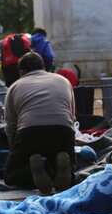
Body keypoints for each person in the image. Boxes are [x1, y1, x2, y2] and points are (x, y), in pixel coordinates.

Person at [4, 52, 75, 195]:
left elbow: (11, 126)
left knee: (10, 176)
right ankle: (64, 173)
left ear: (22, 72)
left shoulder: (15, 86)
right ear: (44, 67)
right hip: (63, 131)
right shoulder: (63, 81)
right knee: (71, 167)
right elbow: (71, 116)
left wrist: (16, 150)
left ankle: (33, 172)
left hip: (29, 132)